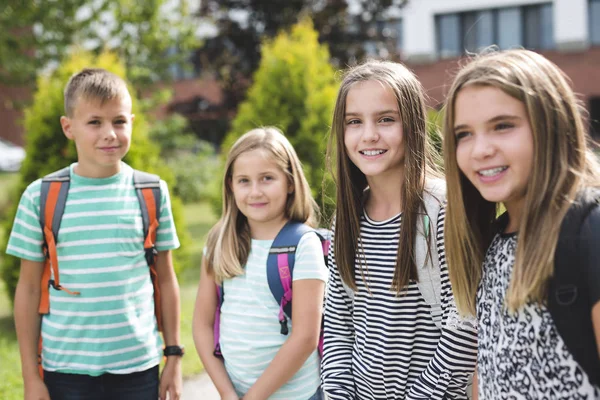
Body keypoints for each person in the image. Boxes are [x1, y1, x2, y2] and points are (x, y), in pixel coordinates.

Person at [7, 68, 183, 400]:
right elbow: (28, 289)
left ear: (132, 121)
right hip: (65, 372)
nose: (109, 133)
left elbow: (165, 280)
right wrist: (31, 378)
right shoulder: (40, 196)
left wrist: (173, 357)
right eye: (94, 122)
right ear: (68, 127)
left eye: (119, 121)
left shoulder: (151, 192)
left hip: (138, 369)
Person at [443, 49, 600, 398]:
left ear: (551, 124)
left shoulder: (588, 230)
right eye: (463, 134)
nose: (480, 149)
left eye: (503, 126)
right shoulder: (490, 242)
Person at [320, 59, 478, 400]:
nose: (369, 134)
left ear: (413, 124)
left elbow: (464, 319)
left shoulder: (441, 210)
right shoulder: (347, 219)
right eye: (354, 122)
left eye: (386, 119)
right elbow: (337, 322)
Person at [192, 127, 328, 400]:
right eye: (244, 181)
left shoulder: (303, 245)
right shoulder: (220, 242)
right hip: (237, 392)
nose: (255, 191)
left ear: (290, 182)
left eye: (267, 178)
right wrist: (227, 393)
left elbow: (304, 338)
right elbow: (201, 325)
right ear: (231, 184)